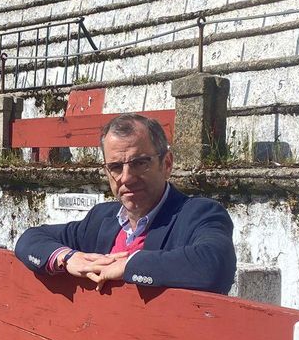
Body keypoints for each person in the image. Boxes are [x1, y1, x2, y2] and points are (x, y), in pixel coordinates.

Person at [13, 113, 237, 293]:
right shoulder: (101, 218)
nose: (127, 177)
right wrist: (68, 258)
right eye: (116, 167)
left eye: (140, 163)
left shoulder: (198, 214)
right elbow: (30, 239)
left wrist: (129, 265)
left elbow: (215, 265)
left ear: (166, 164)